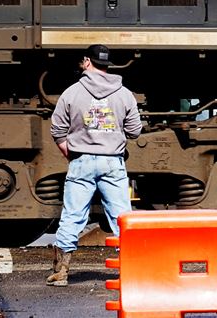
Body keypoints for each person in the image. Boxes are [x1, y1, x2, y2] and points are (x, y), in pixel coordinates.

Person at [47, 44, 141, 287]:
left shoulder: (71, 93)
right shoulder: (124, 94)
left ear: (87, 62)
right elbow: (134, 131)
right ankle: (131, 270)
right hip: (113, 162)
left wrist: (69, 151)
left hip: (81, 161)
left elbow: (57, 129)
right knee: (122, 217)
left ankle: (61, 271)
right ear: (107, 64)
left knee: (72, 215)